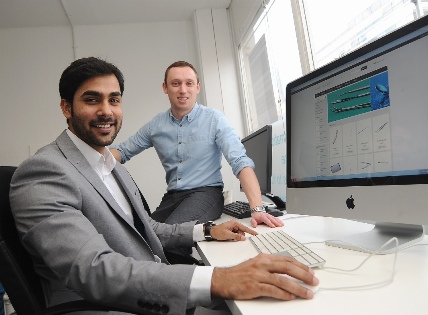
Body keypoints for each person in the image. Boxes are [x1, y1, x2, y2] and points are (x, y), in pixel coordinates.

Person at [9, 57, 318, 314]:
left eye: (113, 100)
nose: (106, 110)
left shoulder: (111, 167)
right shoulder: (45, 170)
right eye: (92, 99)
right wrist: (217, 280)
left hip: (199, 201)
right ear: (66, 107)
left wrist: (212, 228)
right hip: (110, 305)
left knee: (242, 302)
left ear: (197, 87)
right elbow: (92, 269)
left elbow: (149, 230)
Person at [110, 61, 283, 229]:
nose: (183, 90)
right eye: (176, 83)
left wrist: (257, 209)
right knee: (142, 236)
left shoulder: (215, 119)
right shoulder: (156, 125)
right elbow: (123, 151)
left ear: (197, 87)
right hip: (172, 197)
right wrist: (87, 157)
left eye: (189, 83)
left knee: (171, 236)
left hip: (206, 194)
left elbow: (240, 162)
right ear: (165, 88)